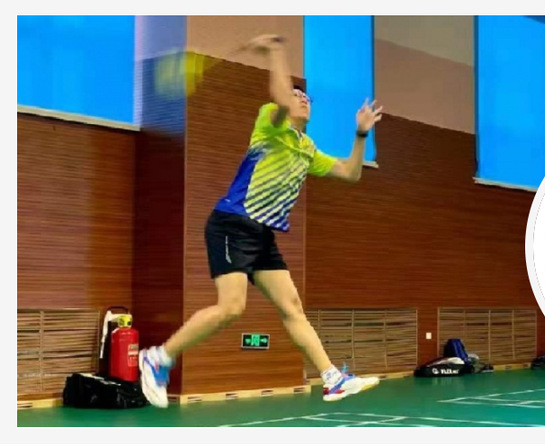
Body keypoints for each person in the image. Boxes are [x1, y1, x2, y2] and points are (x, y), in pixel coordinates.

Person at [138, 34, 383, 408]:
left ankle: (332, 379)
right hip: (232, 223)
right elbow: (281, 99)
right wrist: (276, 51)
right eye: (297, 95)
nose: (303, 99)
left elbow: (351, 172)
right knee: (231, 308)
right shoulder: (270, 124)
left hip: (263, 234)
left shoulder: (307, 149)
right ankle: (158, 358)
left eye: (307, 98)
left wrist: (361, 133)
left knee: (292, 307)